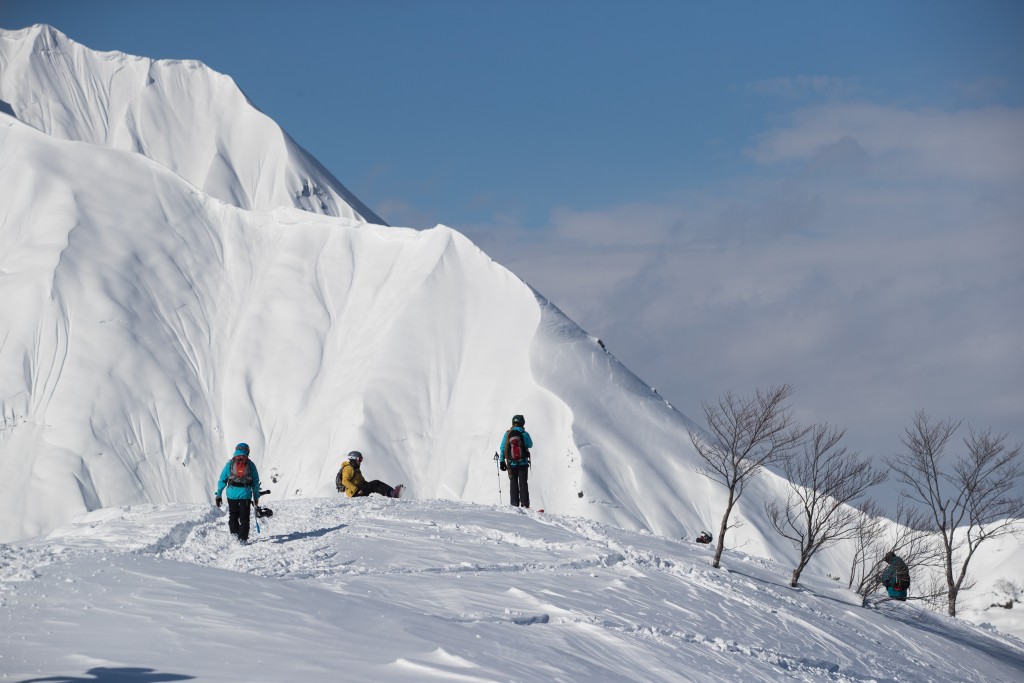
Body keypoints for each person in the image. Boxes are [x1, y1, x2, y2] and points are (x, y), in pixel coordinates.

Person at [214, 442, 262, 543]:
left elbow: (222, 479)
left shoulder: (230, 464)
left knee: (233, 514)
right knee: (244, 517)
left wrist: (218, 495)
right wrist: (256, 497)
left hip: (231, 494)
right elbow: (255, 482)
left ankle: (234, 534)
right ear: (247, 451)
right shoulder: (250, 464)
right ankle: (243, 538)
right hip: (245, 495)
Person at [498, 414, 534, 508]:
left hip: (511, 463)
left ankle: (514, 506)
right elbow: (530, 445)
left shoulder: (508, 434)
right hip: (523, 463)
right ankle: (525, 505)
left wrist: (502, 461)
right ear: (522, 423)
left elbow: (502, 448)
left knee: (513, 483)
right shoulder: (524, 434)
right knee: (523, 484)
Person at [338, 451, 402, 498]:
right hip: (354, 492)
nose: (360, 461)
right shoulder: (348, 468)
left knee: (375, 484)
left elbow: (361, 481)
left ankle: (393, 492)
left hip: (358, 489)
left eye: (361, 459)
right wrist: (356, 490)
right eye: (360, 459)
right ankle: (392, 493)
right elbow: (345, 481)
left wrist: (367, 485)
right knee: (375, 483)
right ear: (354, 459)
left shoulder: (355, 469)